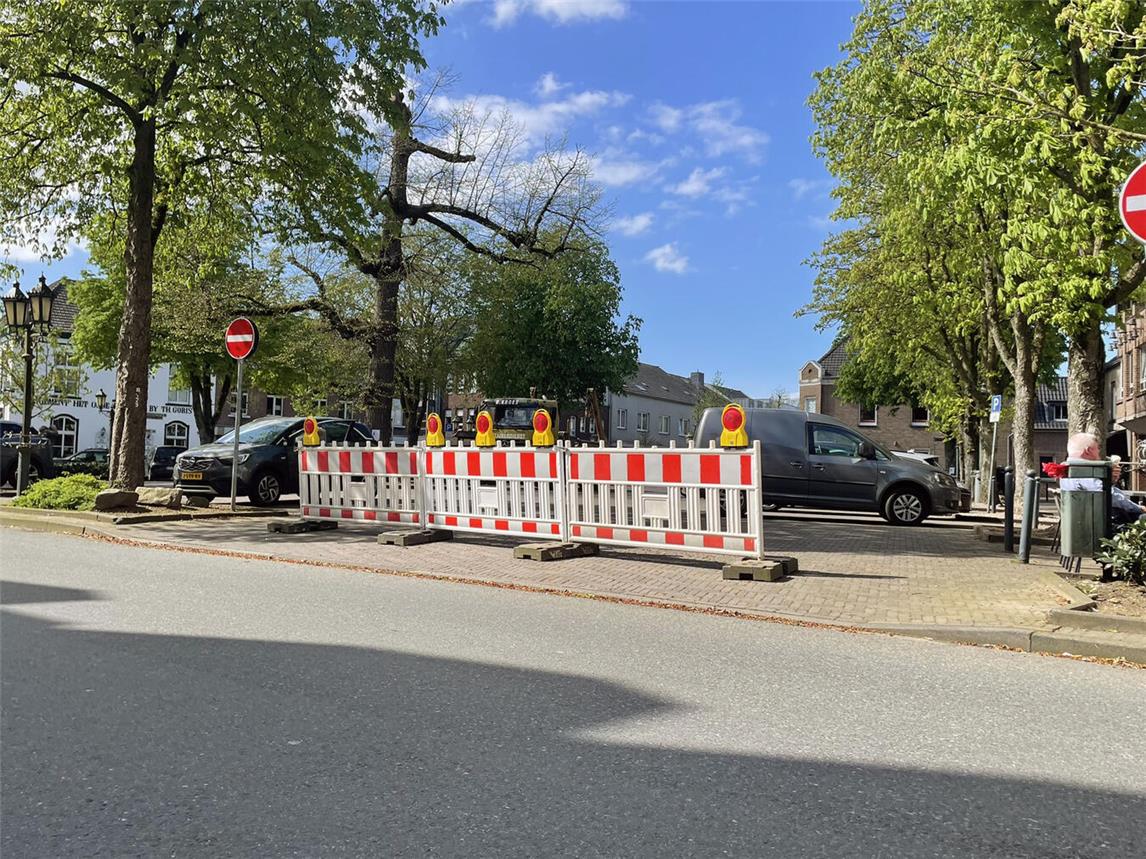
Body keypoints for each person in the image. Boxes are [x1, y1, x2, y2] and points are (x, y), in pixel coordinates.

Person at [1060, 433, 1143, 526]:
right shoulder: (1086, 472)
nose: (1099, 453)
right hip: (1098, 524)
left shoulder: (1067, 470)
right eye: (1098, 449)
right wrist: (1140, 508)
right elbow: (1111, 497)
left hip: (1082, 521)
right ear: (1088, 450)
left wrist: (1110, 481)